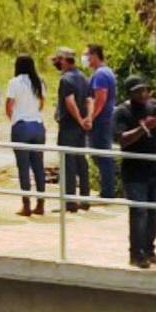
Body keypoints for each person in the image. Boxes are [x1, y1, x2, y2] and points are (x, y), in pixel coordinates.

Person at [111, 76, 156, 269]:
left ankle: (149, 248)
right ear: (130, 93)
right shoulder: (122, 112)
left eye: (145, 90)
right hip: (135, 171)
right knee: (139, 212)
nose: (143, 94)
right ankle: (136, 253)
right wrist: (143, 128)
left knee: (155, 212)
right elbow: (121, 140)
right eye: (138, 91)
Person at [3, 53, 47, 216]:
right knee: (38, 166)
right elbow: (42, 103)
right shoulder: (39, 81)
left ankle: (26, 204)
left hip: (21, 125)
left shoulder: (14, 82)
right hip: (37, 125)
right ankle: (41, 203)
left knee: (23, 167)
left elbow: (9, 105)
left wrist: (13, 119)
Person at [52, 48, 94, 209]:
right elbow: (89, 100)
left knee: (68, 162)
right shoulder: (84, 77)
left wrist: (79, 119)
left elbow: (70, 102)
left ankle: (70, 201)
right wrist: (88, 119)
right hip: (81, 127)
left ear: (63, 60)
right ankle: (85, 198)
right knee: (81, 160)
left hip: (69, 125)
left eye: (57, 60)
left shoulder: (66, 80)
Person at [85, 45, 119, 204]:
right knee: (101, 155)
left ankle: (107, 192)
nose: (85, 58)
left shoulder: (100, 74)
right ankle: (107, 190)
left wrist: (91, 117)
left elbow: (100, 98)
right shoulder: (106, 72)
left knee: (102, 155)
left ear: (95, 55)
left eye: (87, 55)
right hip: (106, 119)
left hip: (101, 120)